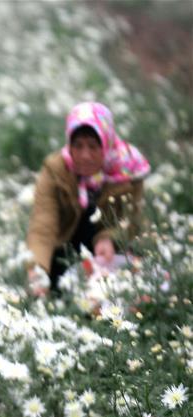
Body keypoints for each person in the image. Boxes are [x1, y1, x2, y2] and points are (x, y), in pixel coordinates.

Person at [26, 102, 149, 296]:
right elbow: (43, 224)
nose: (85, 155)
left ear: (106, 143)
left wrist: (109, 238)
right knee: (55, 290)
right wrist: (38, 269)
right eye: (78, 146)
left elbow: (132, 219)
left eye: (93, 146)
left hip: (110, 249)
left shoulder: (129, 170)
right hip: (67, 245)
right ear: (69, 145)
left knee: (128, 288)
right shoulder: (56, 170)